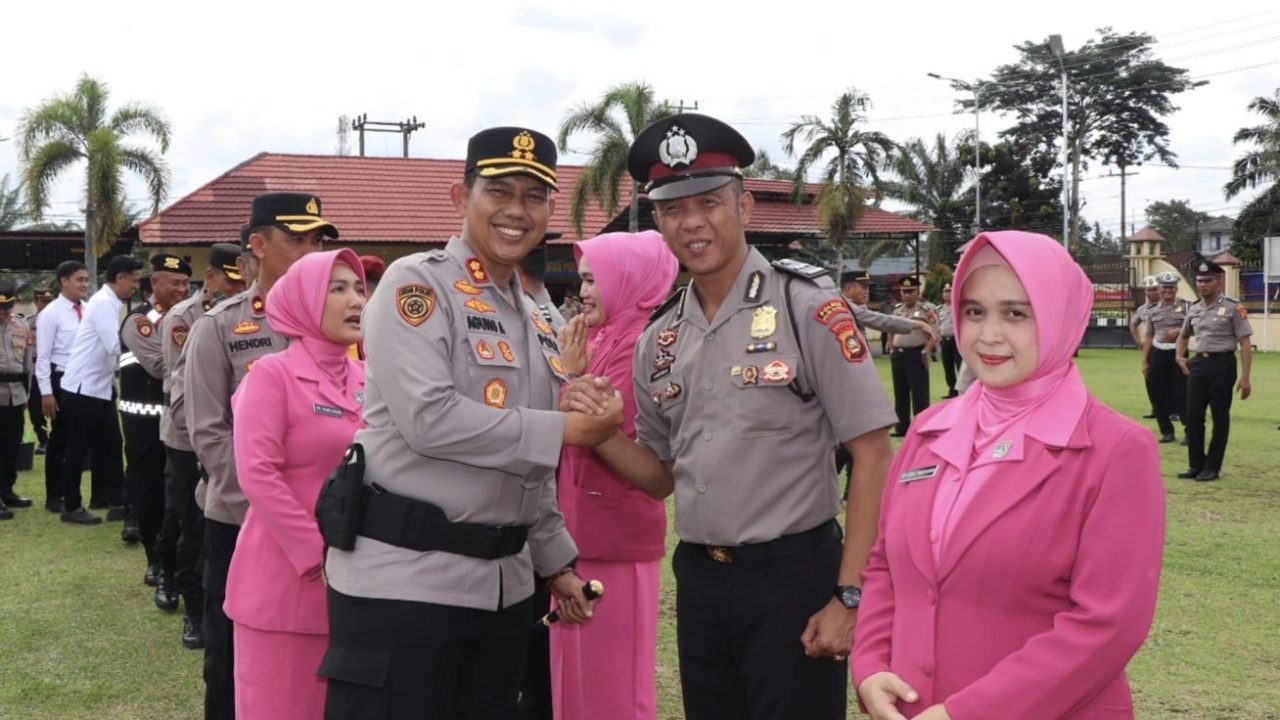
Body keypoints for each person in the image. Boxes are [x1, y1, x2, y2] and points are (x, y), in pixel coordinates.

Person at [565, 113, 897, 720]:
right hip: (700, 579)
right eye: (673, 209)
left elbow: (873, 452)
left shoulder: (805, 306)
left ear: (743, 206)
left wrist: (850, 594)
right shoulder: (659, 338)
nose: (692, 222)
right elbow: (660, 477)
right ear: (658, 222)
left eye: (709, 202)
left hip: (794, 577)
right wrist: (602, 432)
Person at [319, 126, 619, 719]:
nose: (517, 210)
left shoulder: (537, 316)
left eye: (534, 197)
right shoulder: (417, 285)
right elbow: (429, 419)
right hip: (406, 585)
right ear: (462, 198)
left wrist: (554, 561)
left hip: (503, 592)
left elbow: (529, 463)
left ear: (550, 211)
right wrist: (565, 429)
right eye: (499, 191)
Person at [852, 230, 1166, 720]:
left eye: (1016, 313)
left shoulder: (1116, 449)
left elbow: (1107, 623)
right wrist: (870, 666)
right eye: (975, 311)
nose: (988, 335)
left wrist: (970, 712)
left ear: (1060, 316)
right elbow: (885, 566)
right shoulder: (928, 430)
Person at [186, 193, 335, 719]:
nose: (311, 250)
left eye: (317, 240)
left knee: (318, 662)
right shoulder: (221, 326)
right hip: (240, 521)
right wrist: (268, 509)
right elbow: (209, 433)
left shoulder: (341, 324)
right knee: (231, 661)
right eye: (297, 239)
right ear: (258, 244)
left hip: (326, 529)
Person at [225, 249, 367, 719]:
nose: (357, 301)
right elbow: (257, 473)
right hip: (286, 583)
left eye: (359, 289)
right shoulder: (272, 375)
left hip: (360, 585)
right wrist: (315, 554)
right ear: (304, 301)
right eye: (338, 289)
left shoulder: (368, 378)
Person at [548, 230, 678, 720]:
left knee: (613, 688)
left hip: (614, 540)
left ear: (627, 280)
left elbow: (599, 429)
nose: (584, 292)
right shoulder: (604, 338)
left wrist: (572, 382)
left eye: (593, 280)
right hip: (577, 534)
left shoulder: (643, 345)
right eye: (582, 280)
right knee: (578, 683)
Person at [158, 241, 245, 650]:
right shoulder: (186, 318)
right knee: (186, 523)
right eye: (231, 280)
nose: (237, 288)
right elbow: (179, 384)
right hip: (187, 437)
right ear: (210, 277)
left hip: (227, 438)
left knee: (211, 534)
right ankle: (186, 602)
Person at [119, 254, 191, 579]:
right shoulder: (140, 321)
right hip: (144, 425)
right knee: (149, 492)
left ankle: (176, 559)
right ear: (155, 283)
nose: (182, 289)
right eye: (175, 283)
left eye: (186, 283)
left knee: (179, 495)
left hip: (178, 422)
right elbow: (162, 367)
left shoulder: (189, 317)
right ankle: (155, 559)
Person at [58, 255, 143, 525]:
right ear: (120, 277)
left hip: (100, 387)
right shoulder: (104, 303)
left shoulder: (109, 302)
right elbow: (115, 346)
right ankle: (71, 506)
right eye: (134, 280)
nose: (136, 286)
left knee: (112, 443)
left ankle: (114, 500)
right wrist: (147, 354)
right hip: (83, 387)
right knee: (78, 448)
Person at [836, 270, 937, 478]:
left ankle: (852, 477)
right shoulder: (840, 306)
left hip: (855, 378)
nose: (867, 291)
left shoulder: (848, 305)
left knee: (858, 432)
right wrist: (917, 324)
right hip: (845, 381)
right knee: (854, 433)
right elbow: (880, 321)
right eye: (863, 287)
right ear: (848, 287)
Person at [1174, 257, 1253, 483]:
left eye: (1207, 280)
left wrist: (1245, 378)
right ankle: (1196, 464)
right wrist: (1179, 356)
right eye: (1199, 280)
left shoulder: (1233, 307)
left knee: (1220, 417)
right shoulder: (1195, 308)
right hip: (1198, 364)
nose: (1202, 284)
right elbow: (1183, 335)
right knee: (1193, 416)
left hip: (1222, 365)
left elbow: (1245, 343)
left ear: (1218, 282)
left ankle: (1212, 467)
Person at [35, 261, 89, 513]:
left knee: (79, 438)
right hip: (61, 379)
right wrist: (46, 392)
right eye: (79, 279)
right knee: (60, 439)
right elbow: (43, 357)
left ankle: (75, 493)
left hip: (85, 381)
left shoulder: (88, 310)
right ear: (64, 281)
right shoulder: (51, 313)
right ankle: (54, 495)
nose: (84, 284)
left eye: (86, 280)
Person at [1141, 271, 1190, 444]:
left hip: (1179, 353)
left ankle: (1190, 431)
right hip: (1158, 352)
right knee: (1157, 392)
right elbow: (1148, 335)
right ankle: (1166, 430)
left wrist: (1178, 331)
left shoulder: (1187, 307)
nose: (1168, 290)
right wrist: (1145, 360)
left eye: (1171, 287)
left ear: (1176, 289)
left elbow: (1197, 327)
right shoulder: (1152, 310)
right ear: (1159, 288)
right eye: (1164, 287)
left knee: (1182, 393)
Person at [886, 276, 938, 437]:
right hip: (899, 355)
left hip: (916, 355)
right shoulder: (897, 310)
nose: (907, 295)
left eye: (911, 291)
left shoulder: (925, 310)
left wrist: (926, 351)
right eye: (904, 292)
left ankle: (921, 426)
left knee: (919, 394)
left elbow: (936, 333)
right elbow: (890, 329)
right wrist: (891, 347)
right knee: (900, 393)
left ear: (917, 292)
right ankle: (902, 427)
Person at [0, 280, 34, 520]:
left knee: (11, 445)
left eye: (6, 308)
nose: (2, 313)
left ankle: (6, 490)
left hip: (16, 394)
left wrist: (26, 394)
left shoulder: (22, 326)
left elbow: (27, 364)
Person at [27, 288, 55, 454]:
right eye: (43, 302)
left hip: (55, 368)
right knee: (35, 407)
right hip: (35, 369)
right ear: (36, 302)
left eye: (49, 301)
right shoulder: (29, 323)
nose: (47, 305)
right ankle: (44, 439)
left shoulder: (59, 321)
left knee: (58, 406)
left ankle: (58, 439)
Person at [1132, 276, 1160, 418]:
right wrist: (1138, 341)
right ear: (1145, 291)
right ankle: (1156, 409)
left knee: (1170, 379)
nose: (1152, 292)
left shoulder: (1168, 306)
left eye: (1154, 289)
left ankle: (1173, 410)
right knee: (1151, 378)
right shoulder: (1142, 309)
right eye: (1149, 290)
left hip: (1167, 347)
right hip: (1150, 349)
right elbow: (1133, 324)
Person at [937, 282, 961, 398]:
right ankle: (952, 390)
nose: (947, 294)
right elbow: (937, 324)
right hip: (944, 341)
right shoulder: (939, 309)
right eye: (945, 291)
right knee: (948, 367)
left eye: (950, 291)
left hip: (956, 341)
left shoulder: (958, 307)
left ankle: (962, 390)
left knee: (960, 366)